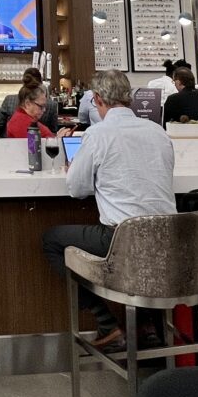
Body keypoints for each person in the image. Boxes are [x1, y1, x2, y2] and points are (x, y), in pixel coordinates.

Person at [42, 70, 176, 348]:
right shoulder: (158, 132)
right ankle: (147, 324)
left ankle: (107, 324)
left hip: (120, 240)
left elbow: (76, 189)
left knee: (52, 240)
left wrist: (82, 172)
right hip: (169, 242)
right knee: (143, 255)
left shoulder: (98, 134)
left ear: (98, 99)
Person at [0, 68, 59, 135]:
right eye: (41, 107)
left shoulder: (10, 101)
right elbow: (53, 131)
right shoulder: (51, 105)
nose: (44, 110)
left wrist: (7, 139)